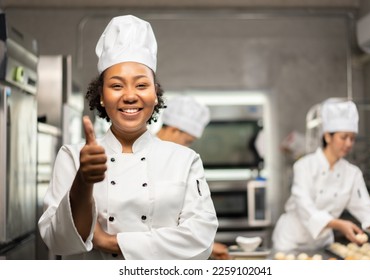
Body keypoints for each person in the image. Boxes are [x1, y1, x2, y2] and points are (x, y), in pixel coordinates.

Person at [38, 15, 218, 260]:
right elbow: (58, 241)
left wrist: (111, 242)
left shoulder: (185, 160)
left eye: (142, 85)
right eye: (117, 85)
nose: (130, 96)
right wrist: (83, 180)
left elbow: (200, 241)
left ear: (155, 95)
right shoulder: (73, 156)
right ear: (101, 96)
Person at [272, 98, 370, 254]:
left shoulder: (352, 173)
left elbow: (366, 208)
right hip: (290, 242)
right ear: (327, 136)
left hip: (322, 245)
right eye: (343, 137)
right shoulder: (304, 166)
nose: (348, 144)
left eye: (352, 138)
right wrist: (339, 224)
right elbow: (305, 207)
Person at [156, 95, 231, 260]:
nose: (187, 147)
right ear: (174, 129)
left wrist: (205, 247)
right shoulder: (148, 157)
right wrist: (207, 248)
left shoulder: (179, 160)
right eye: (188, 141)